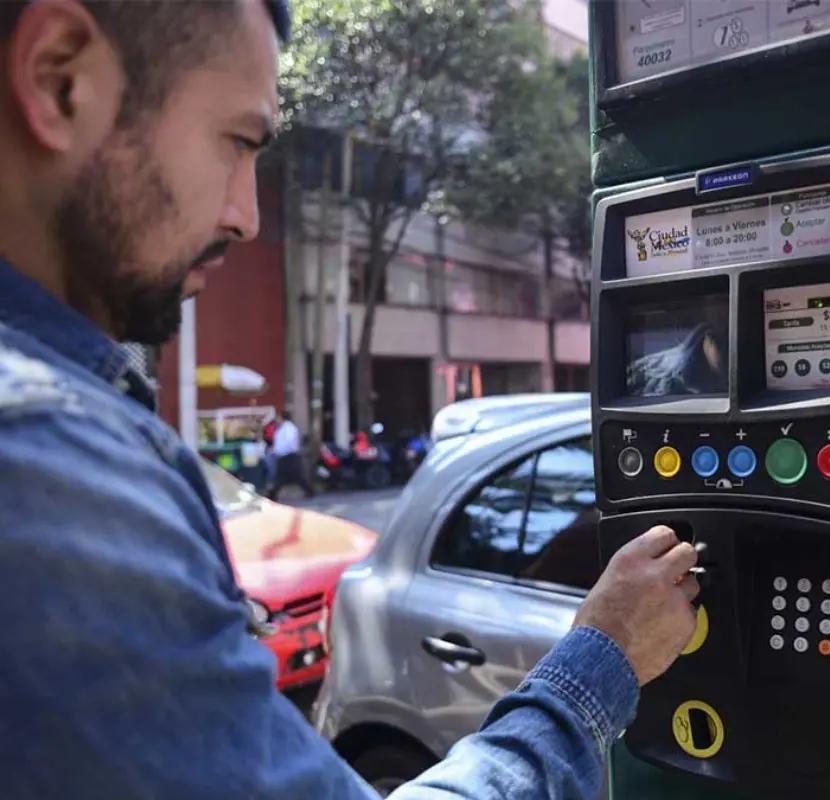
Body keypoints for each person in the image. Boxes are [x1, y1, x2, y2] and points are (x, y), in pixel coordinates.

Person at [0, 2, 700, 798]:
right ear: (59, 78)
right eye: (236, 142)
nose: (245, 215)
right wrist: (597, 666)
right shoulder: (49, 464)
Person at [267, 409, 314, 500]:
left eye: (278, 417)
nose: (276, 420)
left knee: (292, 477)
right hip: (282, 456)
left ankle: (273, 495)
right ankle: (273, 495)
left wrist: (277, 450)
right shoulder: (281, 428)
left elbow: (289, 443)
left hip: (289, 456)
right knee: (284, 477)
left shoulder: (289, 428)